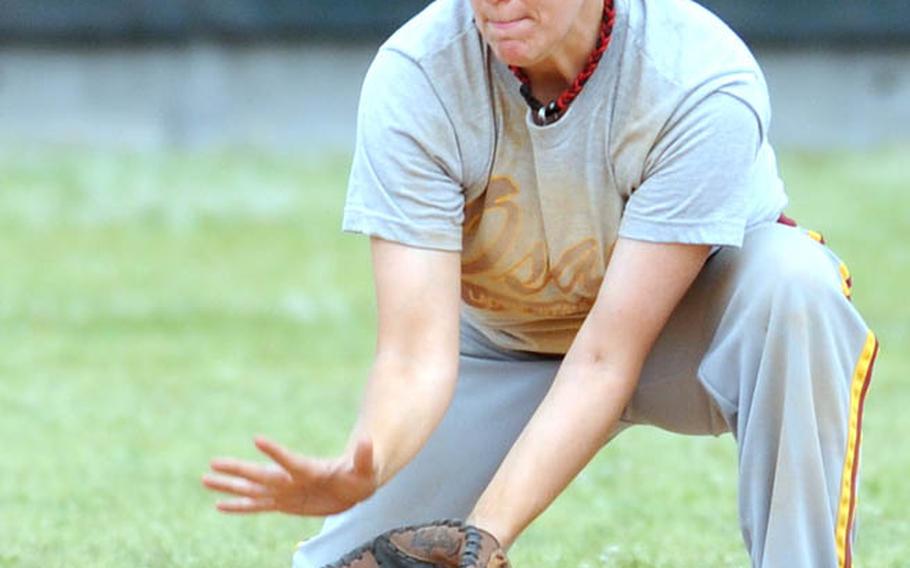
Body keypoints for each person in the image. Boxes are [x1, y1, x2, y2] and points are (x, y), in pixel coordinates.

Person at [202, 0, 879, 566]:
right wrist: (367, 463)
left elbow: (608, 357)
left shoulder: (697, 76)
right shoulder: (418, 74)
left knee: (794, 283)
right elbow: (414, 355)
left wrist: (485, 533)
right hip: (504, 347)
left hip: (679, 340)